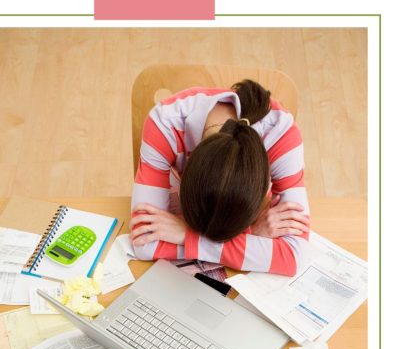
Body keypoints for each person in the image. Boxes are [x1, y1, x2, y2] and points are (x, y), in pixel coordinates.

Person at [130, 80, 310, 276]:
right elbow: (144, 242)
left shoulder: (281, 133)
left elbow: (294, 257)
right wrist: (250, 236)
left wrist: (186, 235)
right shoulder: (165, 123)